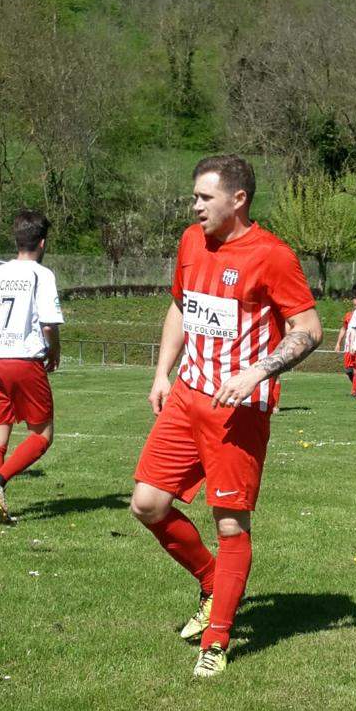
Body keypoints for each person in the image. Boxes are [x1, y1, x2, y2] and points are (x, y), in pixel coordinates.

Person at [130, 154, 323, 679]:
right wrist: (162, 372)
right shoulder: (192, 242)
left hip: (238, 409)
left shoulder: (273, 256)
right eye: (194, 197)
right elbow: (180, 305)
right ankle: (215, 585)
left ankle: (217, 638)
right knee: (147, 504)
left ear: (237, 199)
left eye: (204, 198)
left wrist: (259, 371)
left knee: (231, 522)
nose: (194, 207)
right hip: (187, 395)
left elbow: (308, 328)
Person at [0, 210, 65, 524]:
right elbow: (50, 326)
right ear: (42, 243)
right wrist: (55, 352)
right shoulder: (42, 275)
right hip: (24, 360)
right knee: (42, 434)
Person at [334, 283, 356, 388]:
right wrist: (338, 343)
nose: (355, 301)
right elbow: (343, 328)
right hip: (348, 346)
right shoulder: (348, 315)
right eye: (354, 299)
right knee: (348, 370)